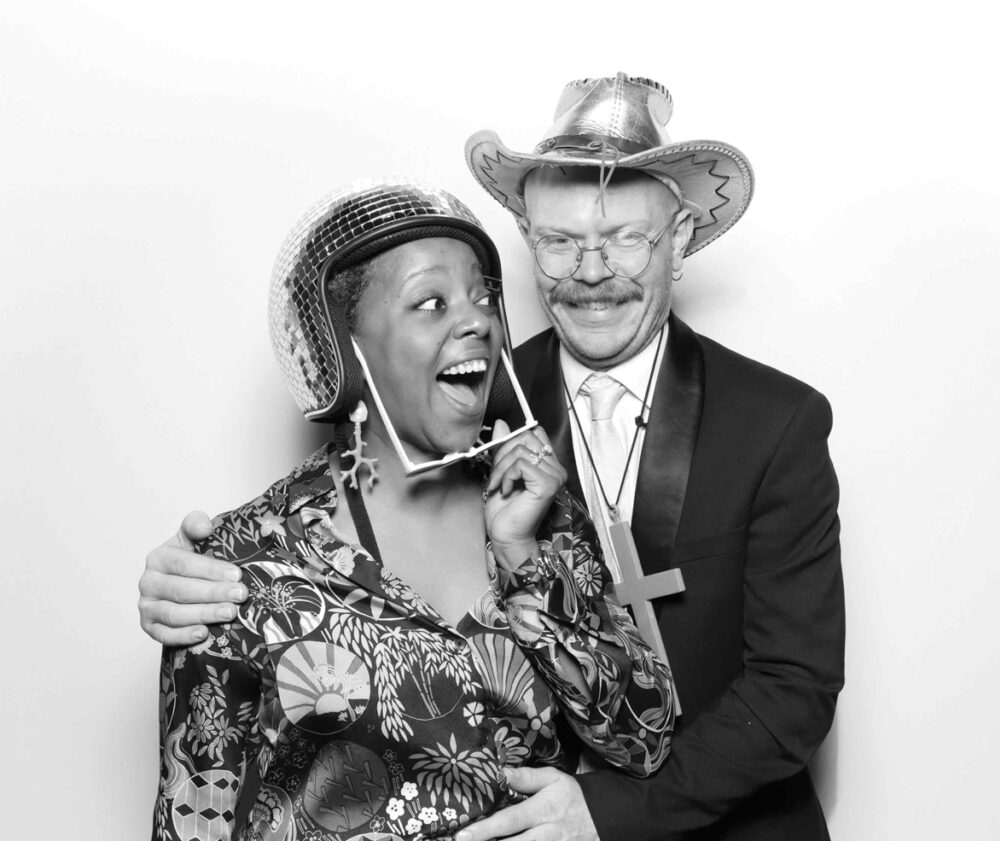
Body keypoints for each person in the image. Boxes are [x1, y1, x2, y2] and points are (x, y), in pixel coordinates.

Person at [142, 74, 845, 841]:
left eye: (627, 237)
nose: (591, 268)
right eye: (560, 240)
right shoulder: (463, 407)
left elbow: (791, 688)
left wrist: (610, 816)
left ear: (678, 240)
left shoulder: (777, 423)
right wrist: (192, 576)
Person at [150, 180, 675, 841]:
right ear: (347, 349)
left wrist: (523, 559)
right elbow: (191, 818)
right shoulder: (238, 565)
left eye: (483, 297)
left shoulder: (538, 509)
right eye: (431, 302)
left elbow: (643, 738)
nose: (478, 319)